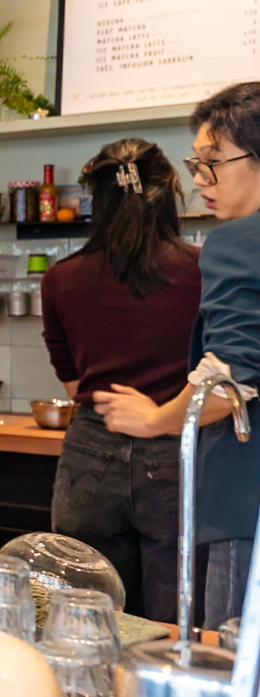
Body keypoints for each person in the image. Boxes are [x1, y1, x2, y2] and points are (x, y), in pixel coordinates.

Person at [94, 83, 260, 629]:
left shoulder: (238, 242)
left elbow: (230, 382)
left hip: (246, 506)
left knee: (235, 668)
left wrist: (154, 420)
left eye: (213, 161)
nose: (200, 179)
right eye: (196, 164)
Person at [41, 138, 201, 620]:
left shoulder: (61, 279)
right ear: (168, 192)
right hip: (177, 447)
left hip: (93, 447)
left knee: (87, 612)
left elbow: (72, 385)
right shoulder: (202, 271)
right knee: (175, 618)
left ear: (97, 199)